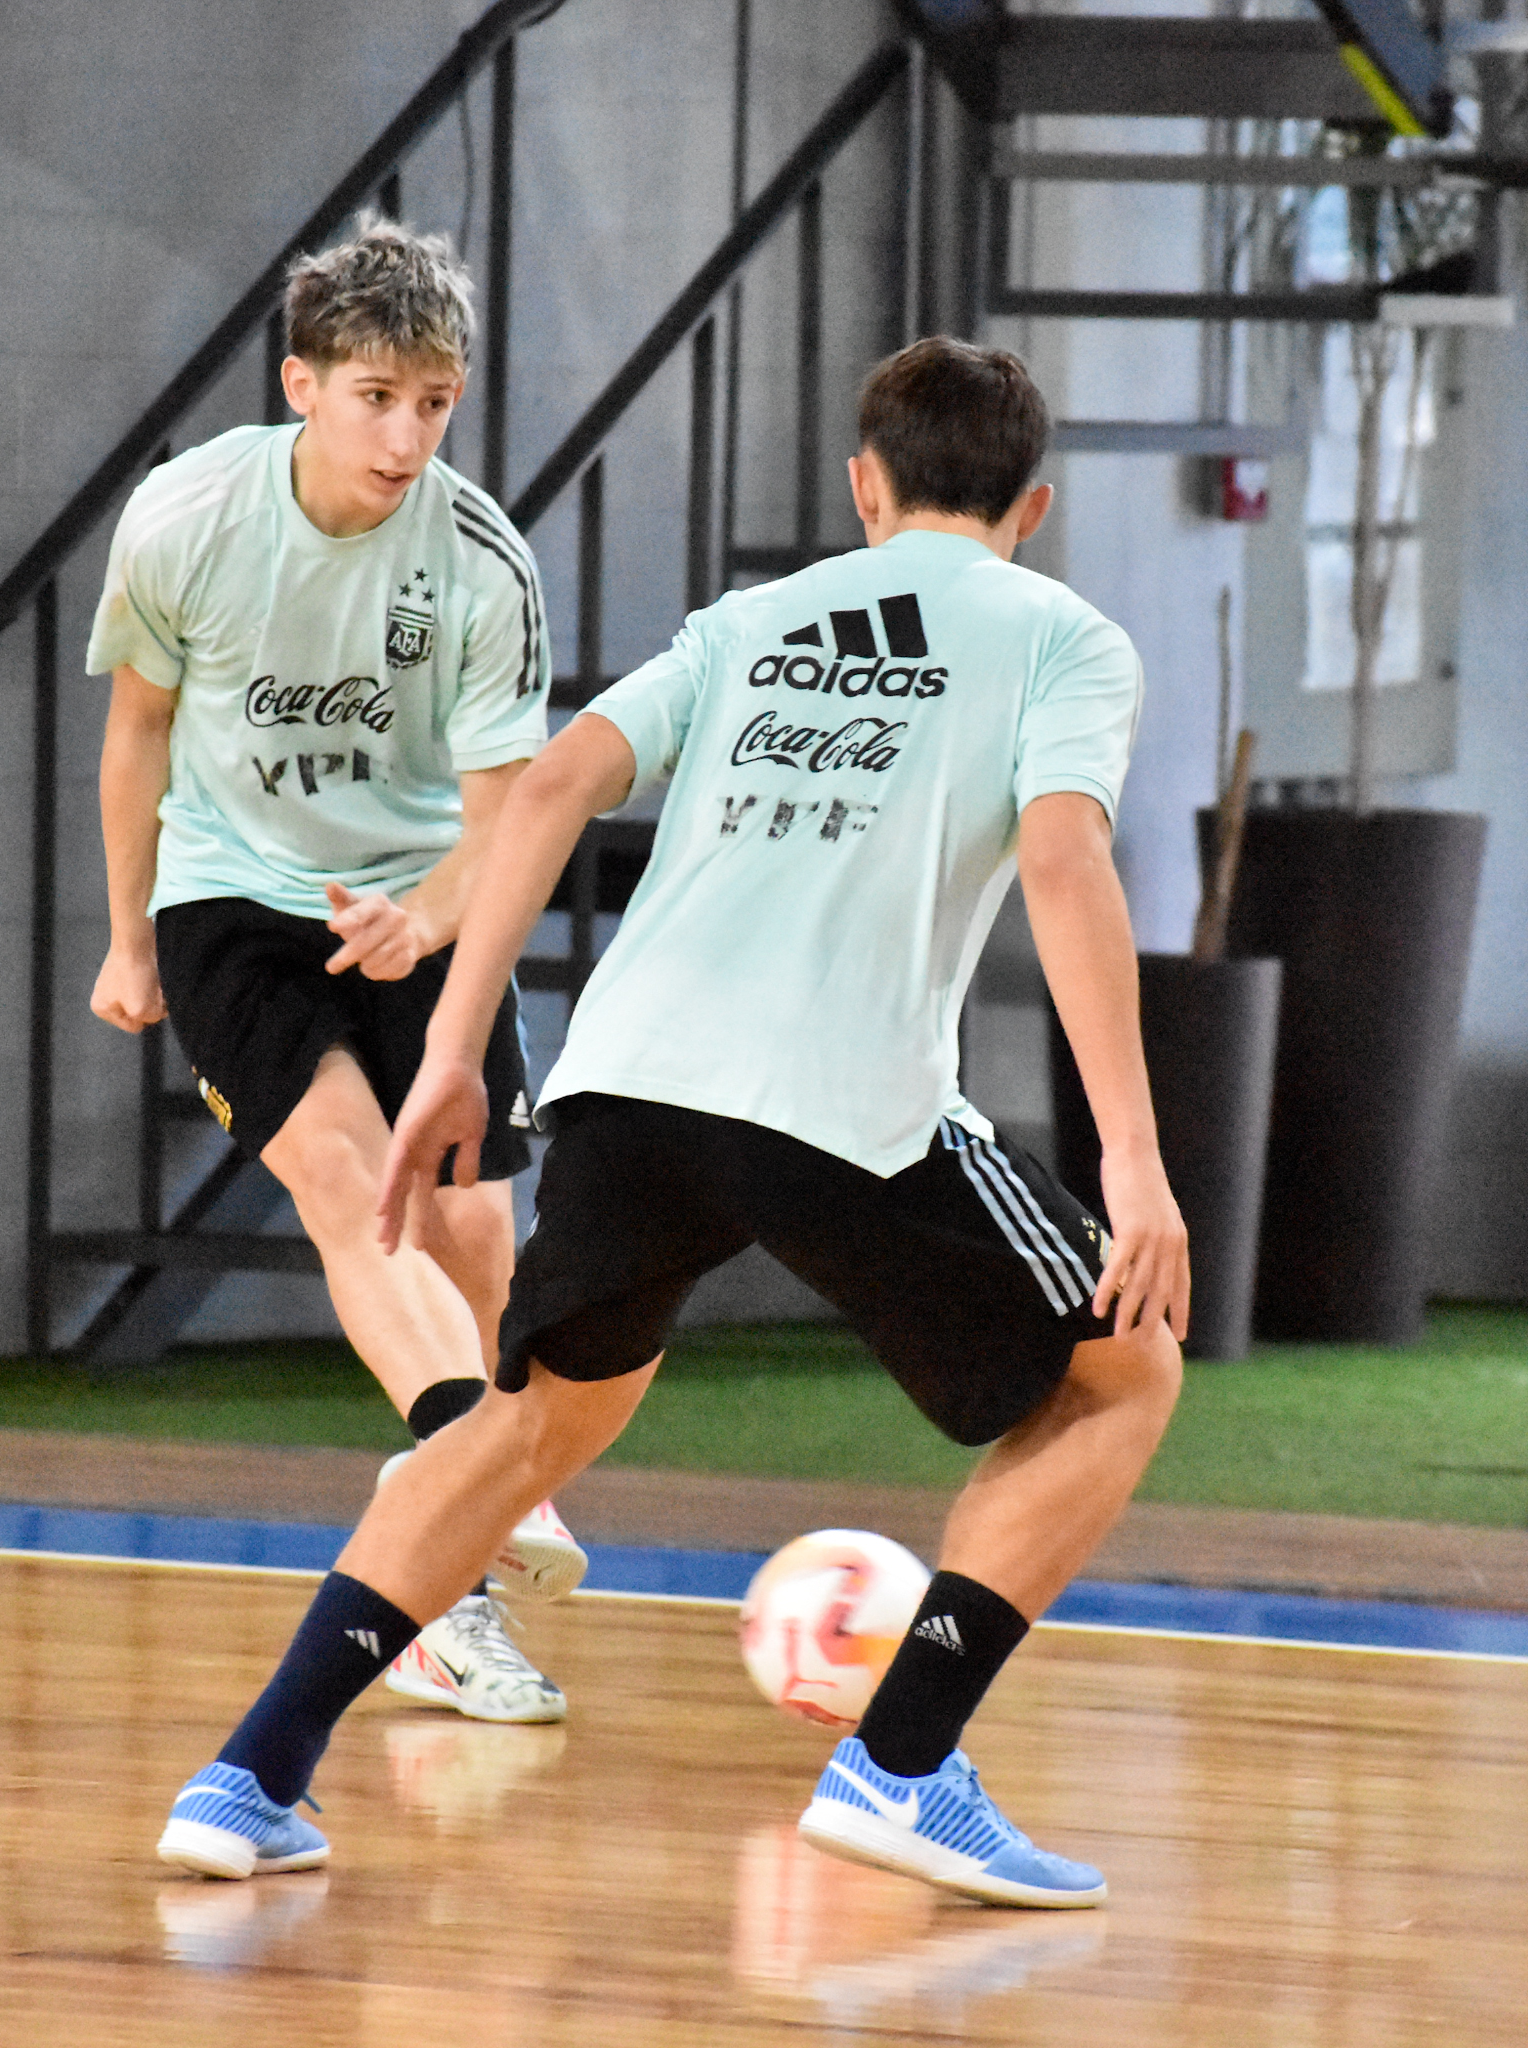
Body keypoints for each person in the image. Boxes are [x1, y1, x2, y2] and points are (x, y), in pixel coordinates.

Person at [156, 336, 1187, 1909]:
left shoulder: (755, 619)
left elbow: (559, 777)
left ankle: (248, 1779)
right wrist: (1132, 1155)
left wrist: (451, 1043)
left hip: (629, 1083)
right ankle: (901, 1765)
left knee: (535, 1423)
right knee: (1124, 1374)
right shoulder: (1067, 639)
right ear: (1032, 507)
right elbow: (1064, 866)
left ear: (863, 488)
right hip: (837, 1097)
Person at [88, 218, 584, 1726]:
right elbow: (137, 736)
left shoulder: (484, 557)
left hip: (424, 894)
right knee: (351, 1185)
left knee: (480, 1234)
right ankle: (470, 1460)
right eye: (377, 396)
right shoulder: (188, 518)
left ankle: (449, 1601)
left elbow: (501, 815)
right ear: (302, 384)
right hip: (236, 894)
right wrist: (126, 938)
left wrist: (427, 924)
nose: (407, 433)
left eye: (434, 402)